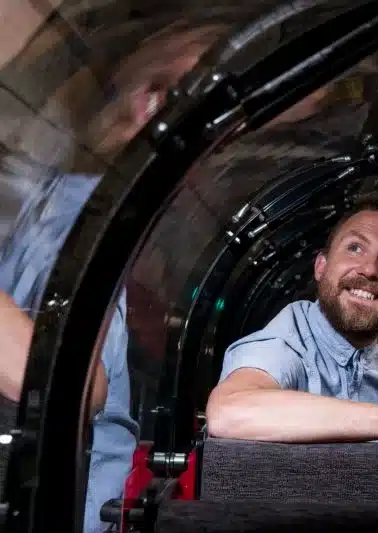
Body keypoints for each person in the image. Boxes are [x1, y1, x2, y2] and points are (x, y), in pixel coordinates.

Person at [0, 18, 226, 533]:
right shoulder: (44, 185)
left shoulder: (100, 218)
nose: (192, 89)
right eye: (195, 55)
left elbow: (76, 385)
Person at [206, 194, 378, 502]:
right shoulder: (287, 340)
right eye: (355, 248)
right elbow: (229, 411)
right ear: (321, 267)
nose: (368, 269)